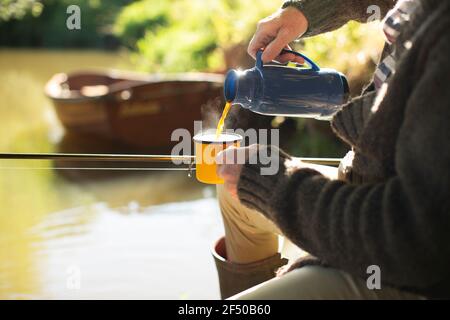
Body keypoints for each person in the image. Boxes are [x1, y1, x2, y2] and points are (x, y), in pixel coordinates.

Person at [212, 0, 450, 300]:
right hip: (364, 177)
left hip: (402, 270)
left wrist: (275, 185)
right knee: (235, 196)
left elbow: (411, 237)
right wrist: (303, 13)